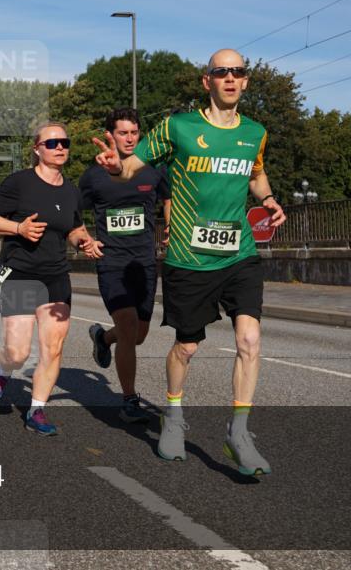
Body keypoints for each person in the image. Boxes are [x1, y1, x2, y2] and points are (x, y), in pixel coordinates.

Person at [94, 48, 286, 475]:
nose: (230, 78)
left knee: (249, 340)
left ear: (245, 81)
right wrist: (116, 167)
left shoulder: (255, 132)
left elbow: (255, 173)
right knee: (187, 347)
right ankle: (174, 416)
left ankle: (239, 433)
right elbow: (133, 166)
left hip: (239, 252)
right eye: (221, 72)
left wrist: (269, 198)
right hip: (189, 257)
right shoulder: (178, 126)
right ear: (207, 81)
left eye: (237, 72)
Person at [0, 122, 102, 436]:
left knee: (53, 347)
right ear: (37, 149)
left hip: (56, 276)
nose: (60, 147)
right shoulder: (20, 183)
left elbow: (74, 228)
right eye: (52, 143)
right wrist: (18, 228)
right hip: (21, 274)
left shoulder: (71, 190)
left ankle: (36, 409)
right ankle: (4, 369)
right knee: (18, 352)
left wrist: (84, 242)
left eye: (64, 142)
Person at [81, 108, 171, 423]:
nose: (130, 138)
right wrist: (85, 240)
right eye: (123, 133)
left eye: (134, 132)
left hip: (144, 262)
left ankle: (103, 339)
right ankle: (130, 399)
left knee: (139, 335)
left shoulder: (152, 169)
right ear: (110, 135)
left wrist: (170, 225)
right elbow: (73, 211)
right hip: (112, 263)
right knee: (129, 326)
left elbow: (168, 198)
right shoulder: (93, 175)